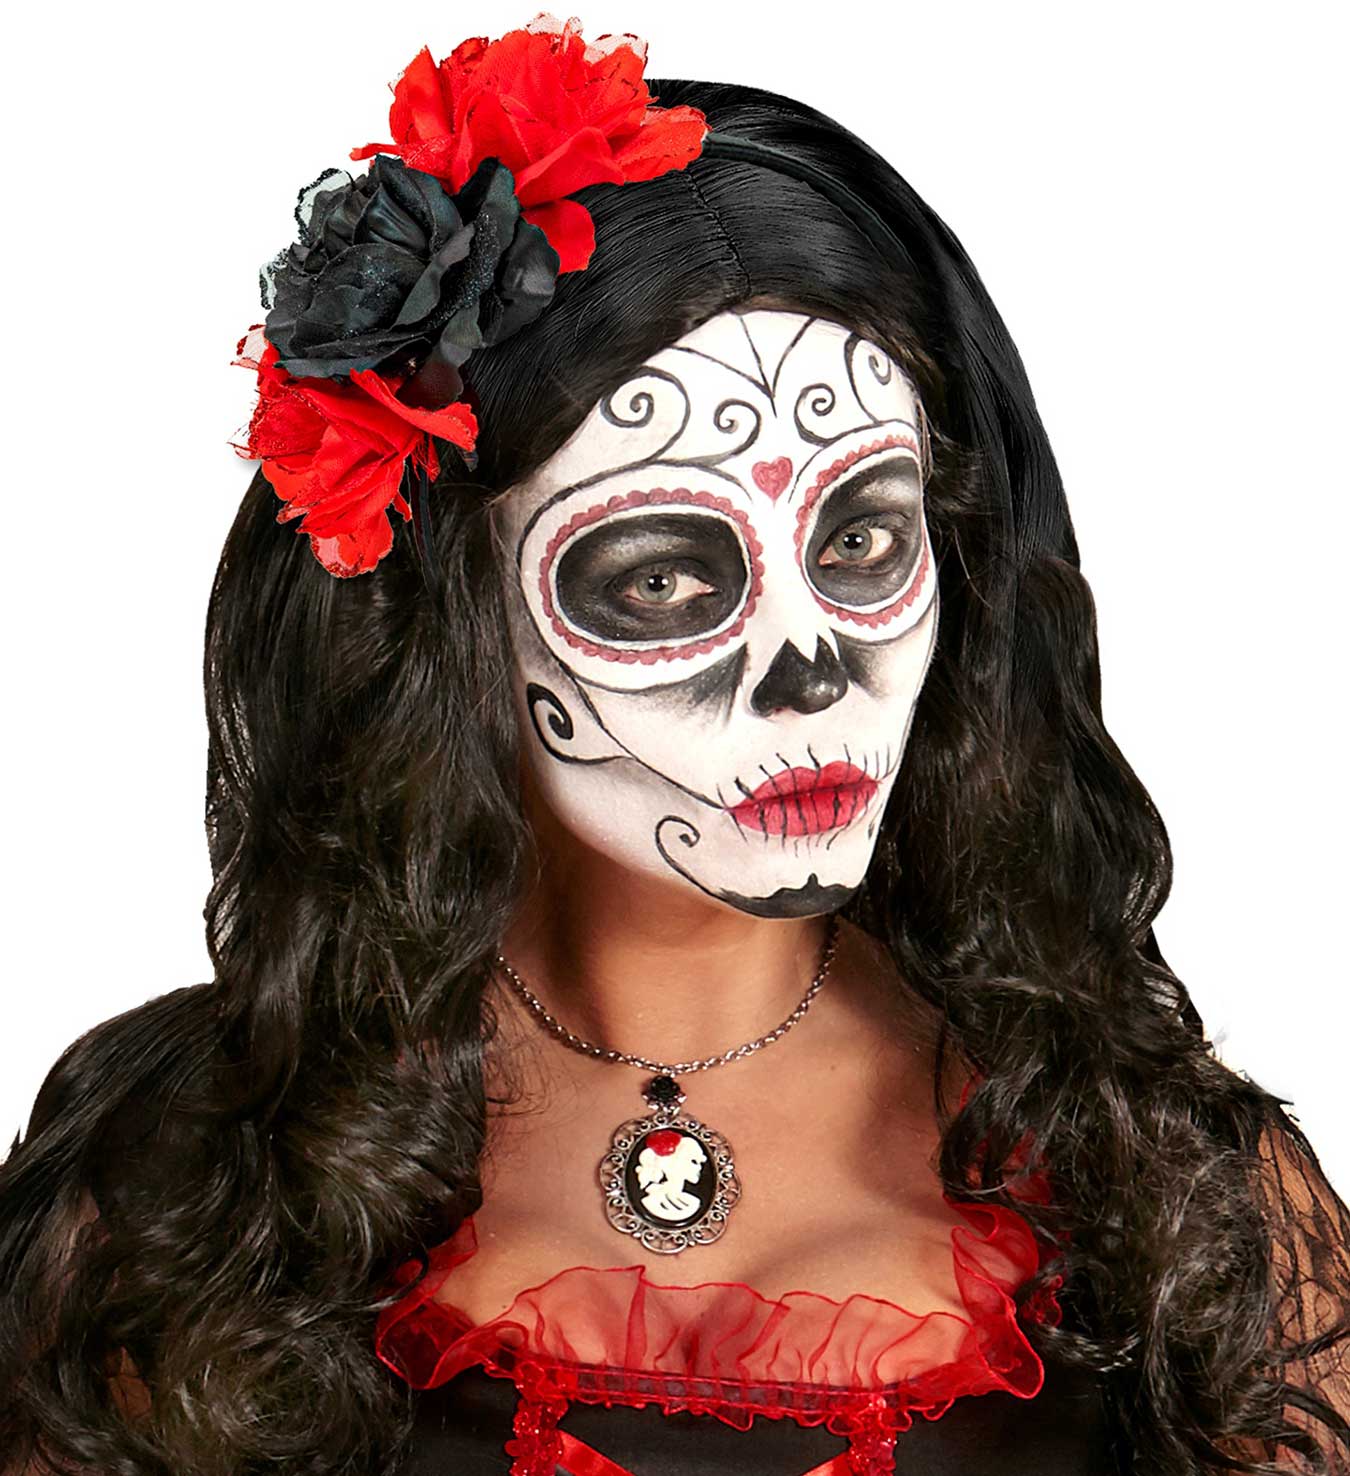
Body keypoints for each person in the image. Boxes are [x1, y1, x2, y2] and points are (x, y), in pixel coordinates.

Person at [2, 14, 1347, 1475]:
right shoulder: (186, 1178)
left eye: (861, 541)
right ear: (447, 616)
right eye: (660, 576)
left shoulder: (1160, 1179)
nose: (810, 669)